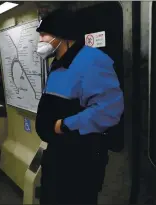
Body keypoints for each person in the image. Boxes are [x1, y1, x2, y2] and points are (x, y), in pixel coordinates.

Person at [34, 9, 124, 204]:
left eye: (43, 35)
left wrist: (64, 125)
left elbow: (109, 109)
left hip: (80, 157)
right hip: (58, 154)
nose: (40, 40)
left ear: (62, 35)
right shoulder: (57, 64)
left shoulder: (92, 60)